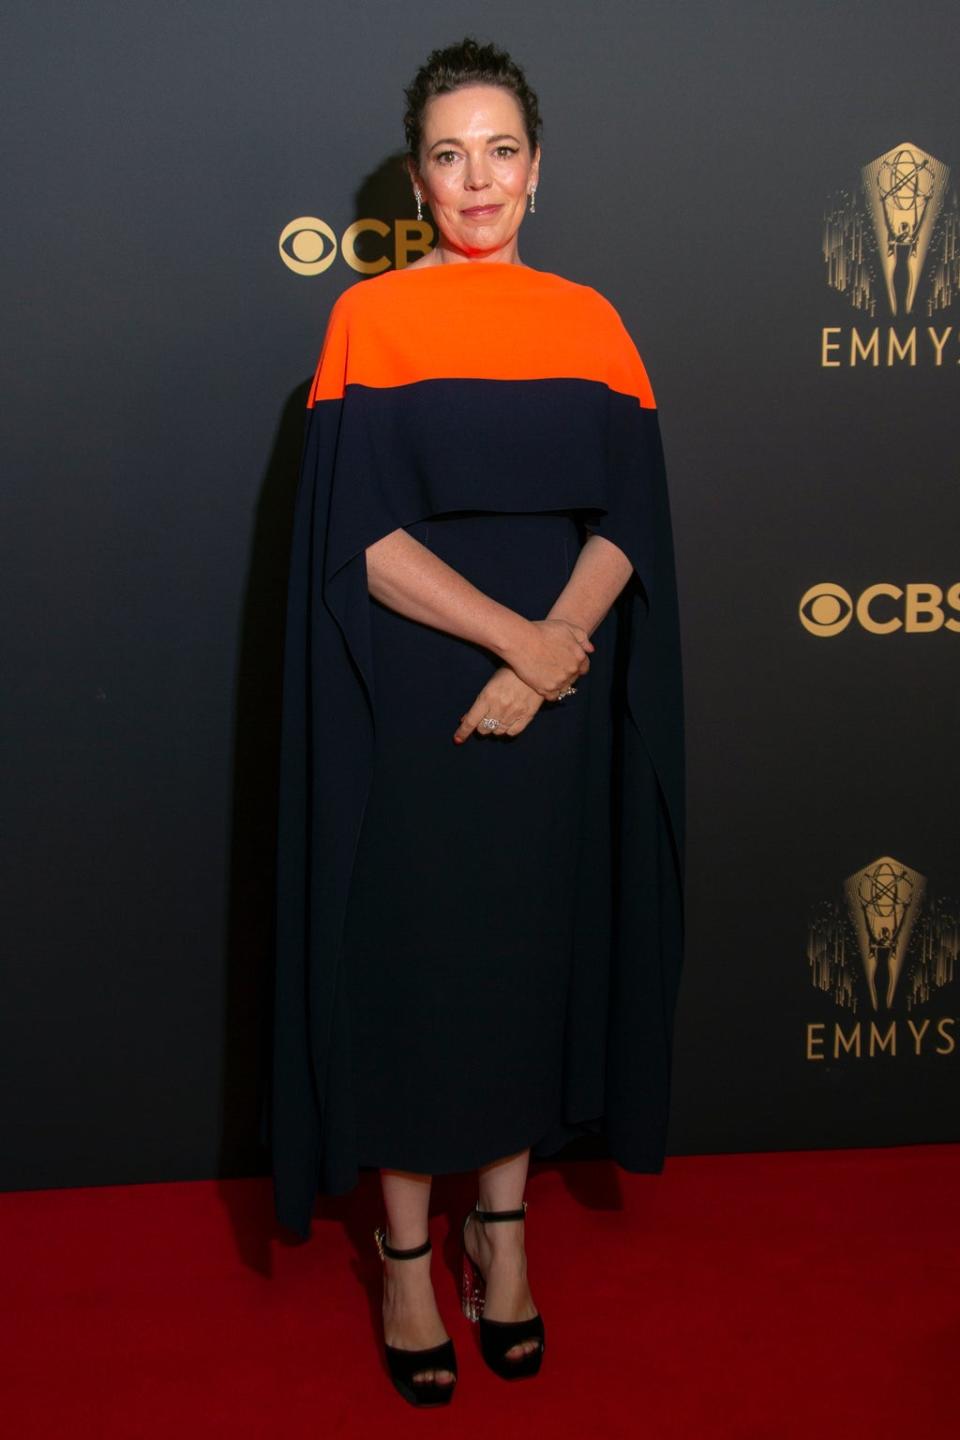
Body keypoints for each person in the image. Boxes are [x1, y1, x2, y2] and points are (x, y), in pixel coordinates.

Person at [270, 35, 686, 1408]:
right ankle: (403, 1257)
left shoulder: (594, 322)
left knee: (517, 966)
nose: (477, 178)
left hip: (551, 698)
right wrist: (518, 643)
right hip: (416, 693)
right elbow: (358, 545)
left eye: (500, 149)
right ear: (418, 176)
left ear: (537, 168)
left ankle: (499, 1239)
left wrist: (557, 651)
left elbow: (630, 525)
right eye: (449, 154)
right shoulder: (369, 321)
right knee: (412, 971)